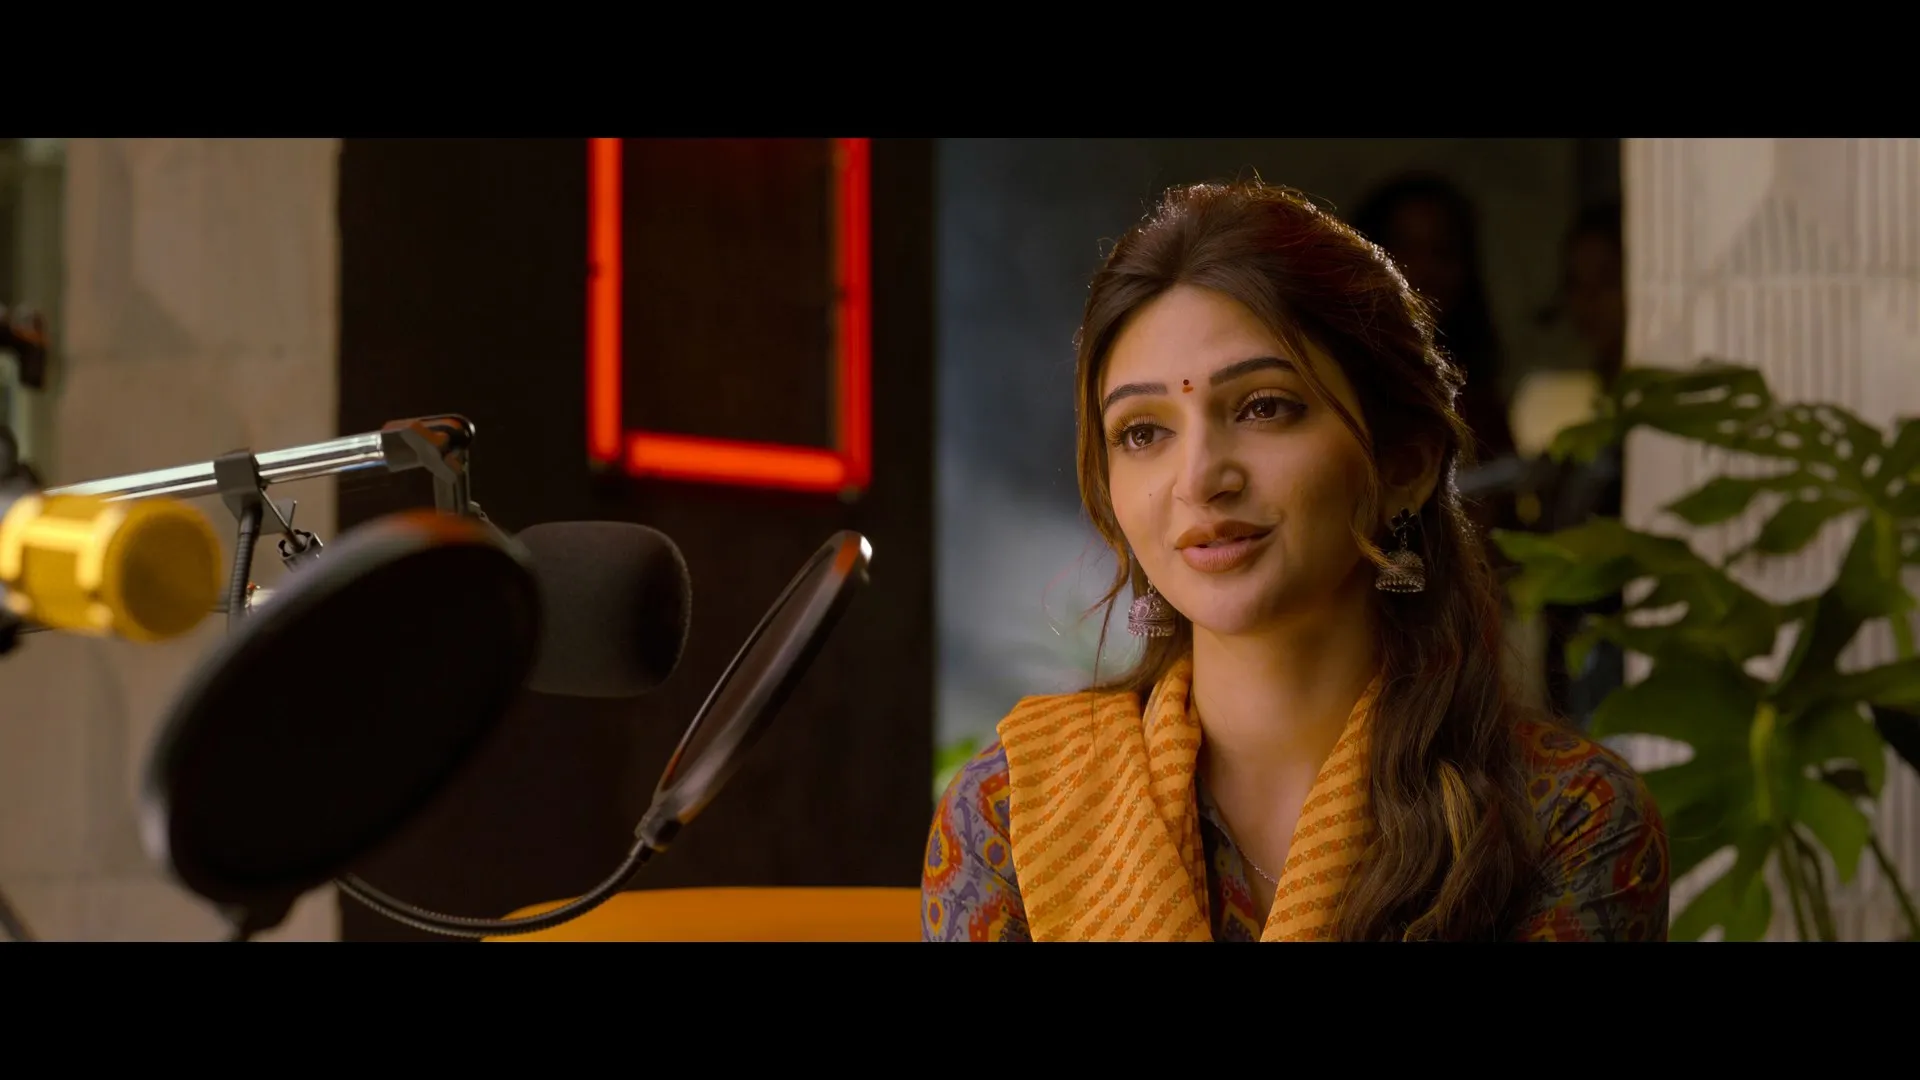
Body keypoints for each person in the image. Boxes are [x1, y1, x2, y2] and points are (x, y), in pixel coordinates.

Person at [920, 181, 1668, 942]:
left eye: (1264, 407)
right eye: (1144, 432)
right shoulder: (1017, 812)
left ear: (1404, 464)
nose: (1199, 478)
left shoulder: (1564, 819)